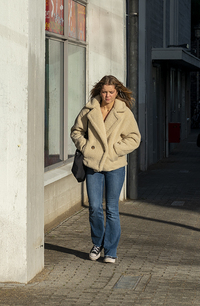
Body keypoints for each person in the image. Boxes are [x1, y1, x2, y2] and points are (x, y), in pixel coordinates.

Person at [70, 75, 141, 263]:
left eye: (111, 92)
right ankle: (97, 243)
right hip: (93, 164)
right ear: (99, 91)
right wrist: (85, 147)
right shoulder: (90, 109)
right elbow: (76, 131)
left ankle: (110, 249)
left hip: (114, 164)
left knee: (111, 209)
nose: (107, 95)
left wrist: (115, 150)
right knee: (94, 207)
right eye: (104, 92)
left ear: (117, 92)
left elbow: (134, 138)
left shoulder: (123, 112)